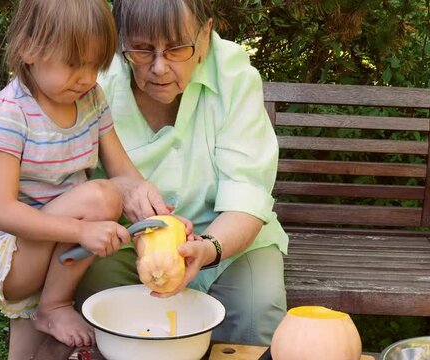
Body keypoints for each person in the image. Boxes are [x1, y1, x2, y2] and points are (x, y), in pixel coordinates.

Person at [0, 0, 182, 358]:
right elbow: (1, 211)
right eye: (74, 63)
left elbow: (126, 175)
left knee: (29, 354)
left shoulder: (90, 99)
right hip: (13, 252)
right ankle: (55, 306)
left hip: (58, 252)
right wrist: (80, 232)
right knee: (102, 197)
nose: (86, 77)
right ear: (29, 49)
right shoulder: (9, 114)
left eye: (94, 65)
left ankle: (47, 311)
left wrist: (160, 220)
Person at [75, 0, 289, 346]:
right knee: (97, 294)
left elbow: (247, 194)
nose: (159, 68)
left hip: (228, 236)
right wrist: (119, 191)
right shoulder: (95, 79)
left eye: (176, 49)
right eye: (142, 50)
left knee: (255, 309)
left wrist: (210, 248)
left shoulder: (236, 78)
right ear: (121, 41)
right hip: (127, 239)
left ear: (205, 34)